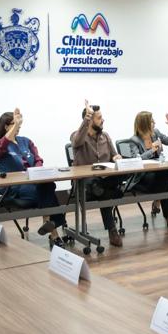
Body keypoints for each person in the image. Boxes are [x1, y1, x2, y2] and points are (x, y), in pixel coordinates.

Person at [0, 108, 67, 248]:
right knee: (47, 189)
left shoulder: (26, 141)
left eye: (19, 123)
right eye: (14, 123)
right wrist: (15, 125)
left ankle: (52, 229)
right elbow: (1, 146)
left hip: (34, 183)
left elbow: (38, 159)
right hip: (15, 188)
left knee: (47, 185)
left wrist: (37, 172)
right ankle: (53, 227)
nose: (18, 126)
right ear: (6, 127)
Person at [70, 101, 125, 247]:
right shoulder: (77, 136)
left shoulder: (105, 136)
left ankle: (101, 188)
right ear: (89, 120)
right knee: (101, 189)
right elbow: (76, 142)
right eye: (99, 118)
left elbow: (114, 155)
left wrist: (117, 157)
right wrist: (87, 118)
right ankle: (112, 230)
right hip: (85, 184)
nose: (103, 120)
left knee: (111, 182)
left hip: (104, 180)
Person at [128, 111, 168, 230]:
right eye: (152, 121)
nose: (155, 123)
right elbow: (136, 160)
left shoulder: (155, 133)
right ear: (144, 124)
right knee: (167, 177)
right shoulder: (134, 140)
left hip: (160, 175)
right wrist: (152, 150)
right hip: (144, 176)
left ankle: (158, 200)